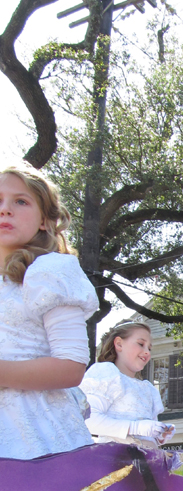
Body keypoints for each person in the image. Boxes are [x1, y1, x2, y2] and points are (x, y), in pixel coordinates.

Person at [0, 164, 99, 460]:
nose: (5, 209)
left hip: (31, 429)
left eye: (21, 201)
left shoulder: (48, 272)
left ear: (44, 220)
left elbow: (71, 366)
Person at [81, 321, 175, 449]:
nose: (147, 352)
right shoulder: (107, 373)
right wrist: (135, 427)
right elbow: (88, 420)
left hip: (147, 459)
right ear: (119, 344)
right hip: (115, 458)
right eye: (141, 344)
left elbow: (146, 431)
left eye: (149, 348)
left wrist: (160, 434)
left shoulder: (148, 389)